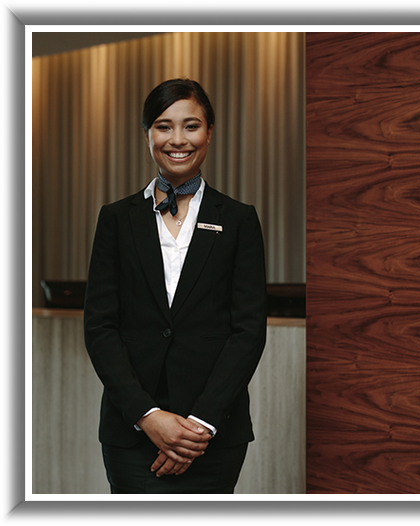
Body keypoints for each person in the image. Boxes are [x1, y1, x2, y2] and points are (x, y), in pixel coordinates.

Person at [84, 78, 267, 494]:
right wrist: (147, 414)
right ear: (147, 134)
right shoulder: (115, 218)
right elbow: (100, 327)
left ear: (209, 133)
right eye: (164, 126)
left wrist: (199, 426)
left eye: (191, 125)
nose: (177, 139)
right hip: (132, 432)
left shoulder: (239, 219)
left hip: (213, 434)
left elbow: (249, 330)